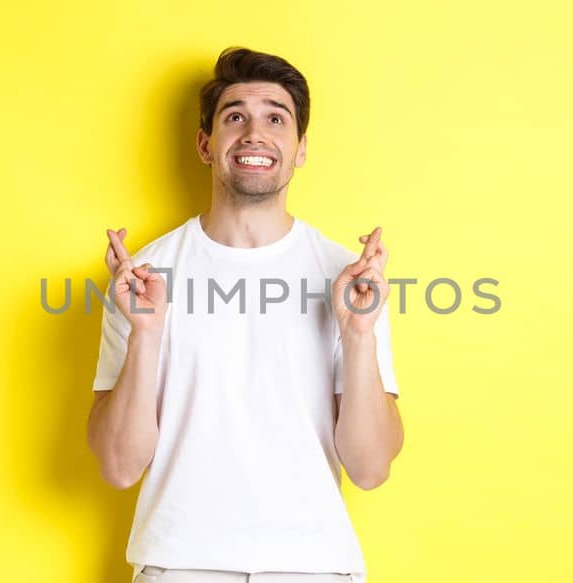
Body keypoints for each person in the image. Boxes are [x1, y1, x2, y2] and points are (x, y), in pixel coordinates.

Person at [87, 47, 403, 583]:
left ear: (300, 148)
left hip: (316, 568)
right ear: (206, 145)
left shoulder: (349, 280)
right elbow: (119, 467)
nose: (255, 133)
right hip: (179, 566)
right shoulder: (143, 277)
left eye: (275, 118)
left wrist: (359, 337)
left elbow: (370, 469)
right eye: (235, 116)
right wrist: (146, 334)